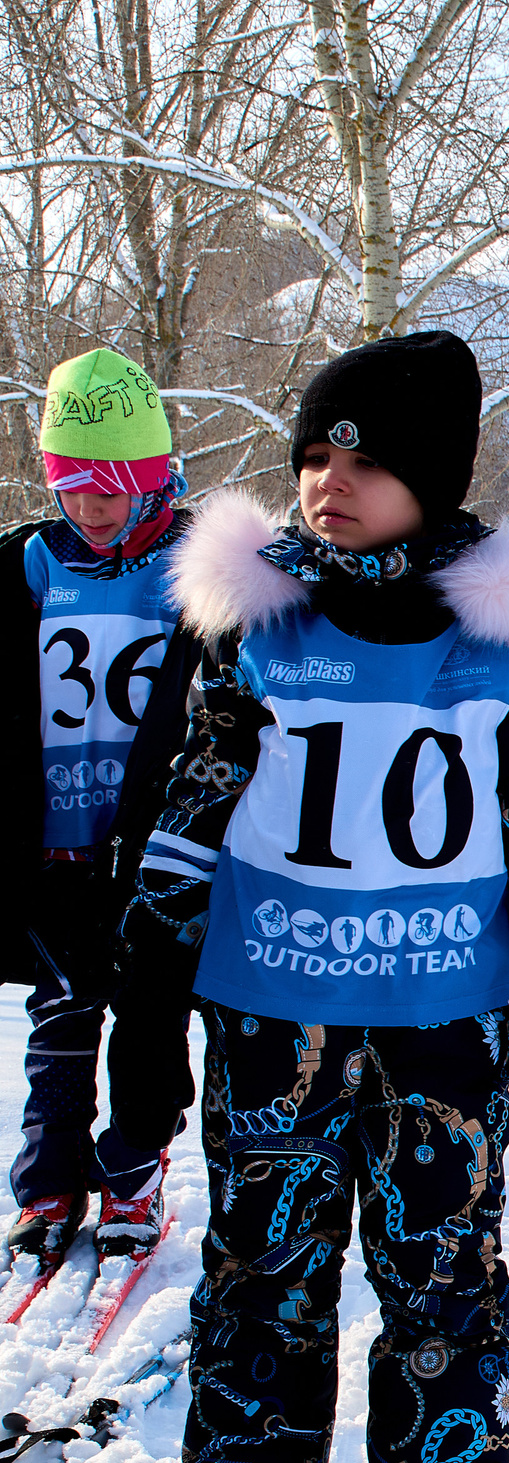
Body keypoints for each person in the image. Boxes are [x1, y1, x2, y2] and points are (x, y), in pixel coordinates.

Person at [120, 329, 509, 1463]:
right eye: (311, 453)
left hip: (438, 1020)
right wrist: (149, 976)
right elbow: (195, 795)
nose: (327, 478)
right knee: (258, 1266)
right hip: (271, 1012)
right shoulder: (258, 616)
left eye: (364, 456)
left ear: (434, 479)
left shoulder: (498, 633)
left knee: (442, 1270)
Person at [1, 348, 202, 1263]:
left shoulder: (198, 568)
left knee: (151, 1020)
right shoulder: (32, 566)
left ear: (153, 481)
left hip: (158, 845)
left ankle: (133, 1171)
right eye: (71, 483)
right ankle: (48, 1183)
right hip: (56, 843)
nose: (88, 504)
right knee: (62, 1010)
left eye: (111, 486)